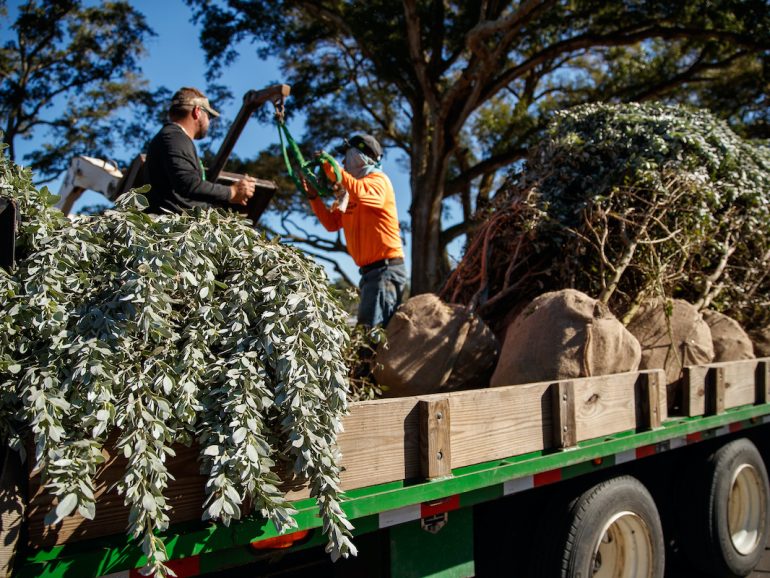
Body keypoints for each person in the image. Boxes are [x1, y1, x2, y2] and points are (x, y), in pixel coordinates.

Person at [305, 134, 406, 327]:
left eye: (347, 155)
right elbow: (331, 224)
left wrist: (333, 170)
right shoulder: (349, 193)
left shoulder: (379, 182)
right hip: (371, 273)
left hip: (385, 271)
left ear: (361, 155)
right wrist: (314, 197)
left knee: (368, 336)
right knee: (369, 336)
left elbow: (359, 191)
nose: (342, 162)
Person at [144, 87, 256, 214]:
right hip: (172, 228)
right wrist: (232, 192)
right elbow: (188, 184)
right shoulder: (174, 137)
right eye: (208, 116)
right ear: (197, 111)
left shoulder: (174, 137)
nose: (209, 122)